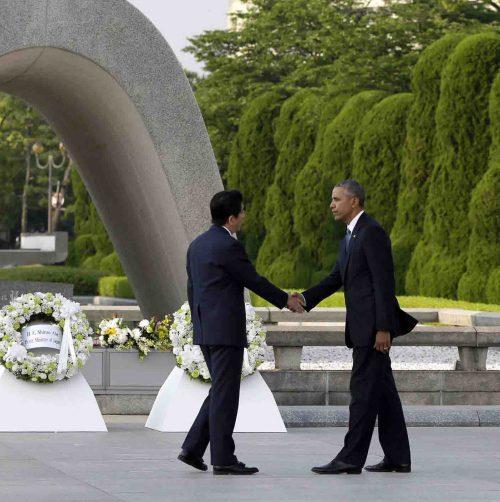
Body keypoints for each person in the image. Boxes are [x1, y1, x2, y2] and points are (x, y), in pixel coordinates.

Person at [179, 189, 305, 475]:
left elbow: (192, 288)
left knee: (220, 391)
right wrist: (285, 299)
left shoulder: (197, 245)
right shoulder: (228, 246)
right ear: (232, 217)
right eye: (243, 212)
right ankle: (223, 459)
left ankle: (192, 448)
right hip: (225, 331)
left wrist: (199, 325)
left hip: (206, 330)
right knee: (225, 395)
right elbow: (253, 279)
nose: (245, 216)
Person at [296, 179, 418, 474]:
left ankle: (350, 459)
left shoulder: (372, 232)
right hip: (363, 329)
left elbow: (383, 283)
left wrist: (383, 328)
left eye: (337, 199)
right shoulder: (350, 236)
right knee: (384, 395)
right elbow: (336, 277)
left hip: (372, 331)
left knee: (362, 394)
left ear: (355, 201)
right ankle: (398, 457)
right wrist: (303, 298)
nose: (332, 204)